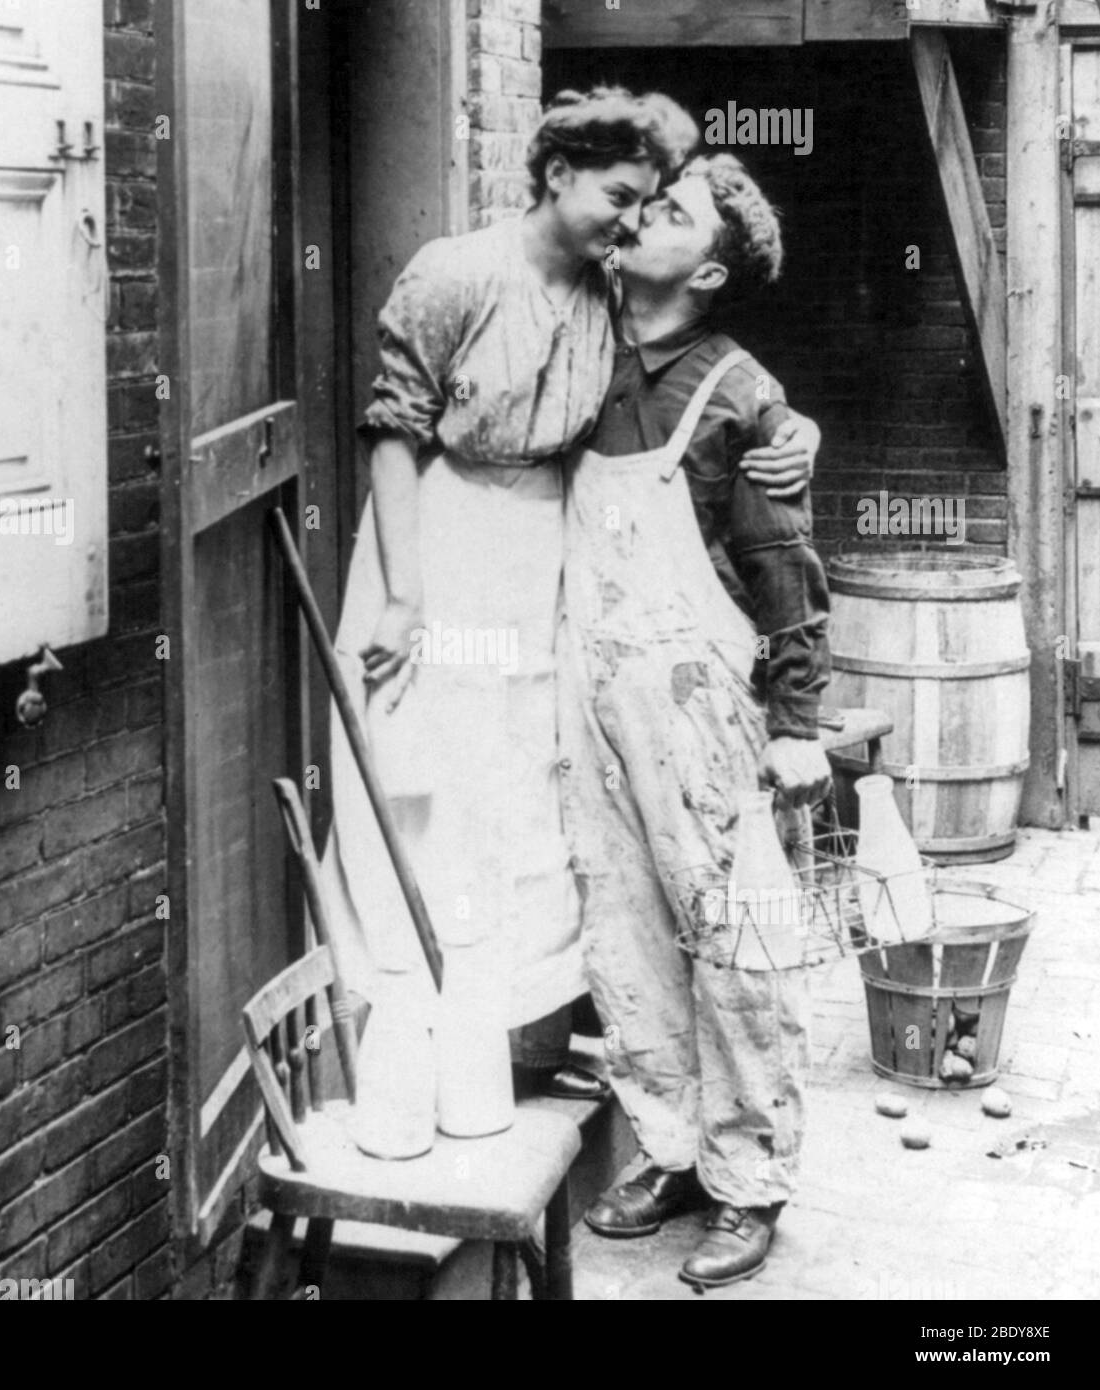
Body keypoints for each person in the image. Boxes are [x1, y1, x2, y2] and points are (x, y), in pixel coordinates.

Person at [321, 91, 818, 1100]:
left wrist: (787, 423)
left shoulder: (606, 293)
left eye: (648, 205)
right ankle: (397, 1057)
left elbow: (704, 389)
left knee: (525, 797)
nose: (631, 221)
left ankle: (498, 1049)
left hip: (541, 562)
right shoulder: (454, 273)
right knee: (422, 789)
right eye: (620, 196)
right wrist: (405, 596)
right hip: (438, 541)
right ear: (555, 174)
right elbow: (393, 434)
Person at [559, 153, 833, 1287]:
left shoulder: (742, 399)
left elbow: (787, 570)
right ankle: (668, 1148)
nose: (639, 217)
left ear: (708, 268)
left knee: (735, 946)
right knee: (622, 933)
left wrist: (798, 721)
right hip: (591, 694)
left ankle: (749, 1178)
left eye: (667, 212)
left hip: (703, 706)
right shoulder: (574, 344)